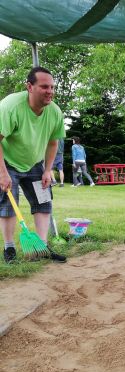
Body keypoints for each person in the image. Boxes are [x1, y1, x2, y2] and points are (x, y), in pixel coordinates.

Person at [0, 66, 67, 263]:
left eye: (53, 87)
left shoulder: (54, 112)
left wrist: (47, 170)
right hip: (7, 160)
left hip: (35, 161)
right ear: (29, 87)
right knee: (8, 205)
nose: (50, 91)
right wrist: (2, 173)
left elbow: (54, 142)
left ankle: (42, 247)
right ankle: (9, 248)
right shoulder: (10, 106)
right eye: (45, 87)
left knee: (44, 202)